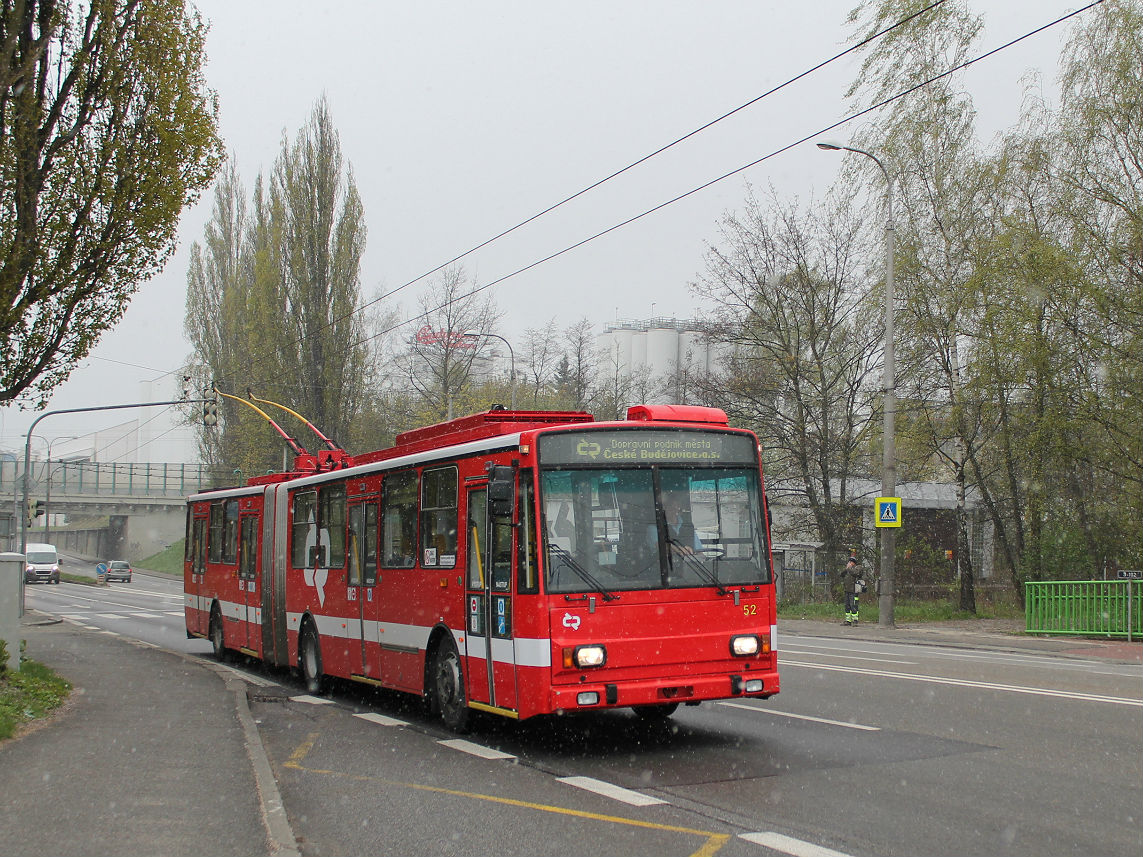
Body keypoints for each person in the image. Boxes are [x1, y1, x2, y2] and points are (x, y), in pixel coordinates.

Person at [841, 550, 861, 625]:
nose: (850, 563)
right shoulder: (848, 569)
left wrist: (849, 568)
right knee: (847, 605)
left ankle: (855, 620)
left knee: (854, 605)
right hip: (847, 590)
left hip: (854, 590)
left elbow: (856, 573)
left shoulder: (858, 568)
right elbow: (842, 574)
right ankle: (848, 620)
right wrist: (846, 569)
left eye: (851, 562)